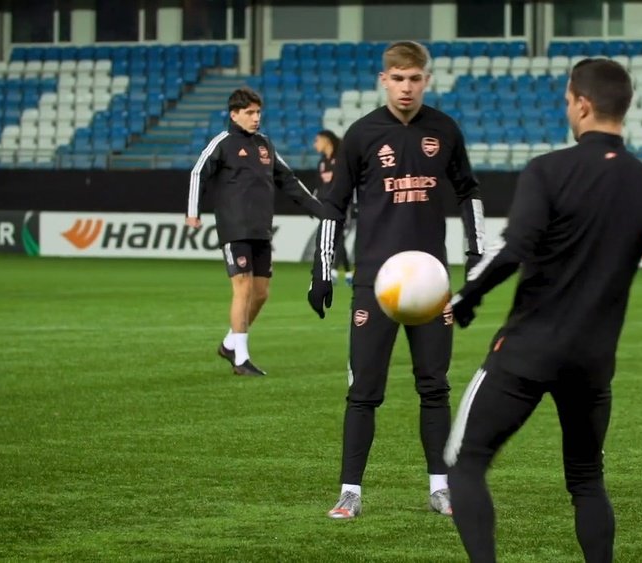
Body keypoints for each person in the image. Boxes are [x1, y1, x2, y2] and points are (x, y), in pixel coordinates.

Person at [445, 58, 642, 563]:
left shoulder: (548, 170)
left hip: (526, 351)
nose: (567, 108)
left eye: (569, 100)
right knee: (587, 480)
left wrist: (469, 295)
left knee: (467, 464)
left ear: (583, 105)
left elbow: (516, 247)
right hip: (592, 362)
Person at [307, 40, 487, 519]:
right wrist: (322, 270)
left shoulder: (445, 130)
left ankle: (440, 487)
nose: (406, 88)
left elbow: (469, 192)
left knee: (434, 386)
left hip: (431, 284)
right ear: (383, 80)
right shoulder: (362, 135)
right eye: (398, 78)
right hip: (375, 285)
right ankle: (350, 491)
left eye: (415, 79)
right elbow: (333, 205)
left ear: (425, 80)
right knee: (363, 390)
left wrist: (476, 256)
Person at [186, 87, 324, 377]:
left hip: (262, 229)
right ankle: (241, 358)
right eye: (249, 112)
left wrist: (319, 209)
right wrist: (192, 212)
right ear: (234, 114)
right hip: (234, 228)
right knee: (244, 288)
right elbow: (198, 172)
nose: (255, 117)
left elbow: (288, 179)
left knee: (261, 294)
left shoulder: (265, 145)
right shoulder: (222, 143)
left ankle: (229, 343)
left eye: (258, 112)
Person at [312, 129, 354, 286]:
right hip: (325, 206)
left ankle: (338, 272)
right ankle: (345, 273)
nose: (315, 144)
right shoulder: (322, 163)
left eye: (317, 140)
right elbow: (319, 186)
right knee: (337, 239)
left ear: (326, 140)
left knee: (337, 238)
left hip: (340, 205)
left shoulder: (340, 161)